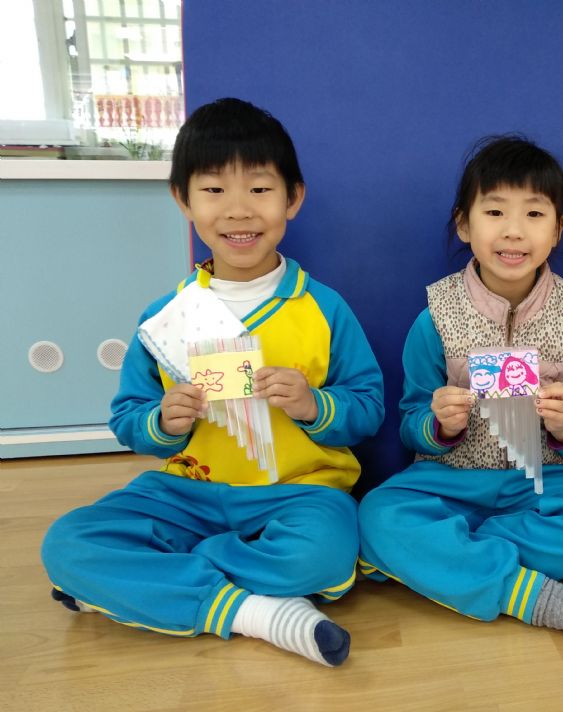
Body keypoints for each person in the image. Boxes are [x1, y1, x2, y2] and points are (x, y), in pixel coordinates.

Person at [41, 98, 384, 668]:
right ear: (183, 199)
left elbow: (368, 408)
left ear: (293, 198)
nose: (238, 210)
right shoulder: (165, 316)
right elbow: (128, 417)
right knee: (66, 543)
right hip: (185, 493)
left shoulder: (323, 309)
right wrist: (162, 420)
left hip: (299, 493)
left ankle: (157, 581)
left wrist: (313, 405)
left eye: (259, 189)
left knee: (323, 554)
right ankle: (256, 611)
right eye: (214, 190)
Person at [358, 136, 563, 665]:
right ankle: (541, 598)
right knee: (377, 514)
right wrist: (438, 425)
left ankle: (456, 554)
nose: (514, 230)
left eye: (534, 214)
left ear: (557, 230)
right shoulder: (435, 317)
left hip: (550, 483)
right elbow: (409, 421)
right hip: (450, 481)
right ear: (464, 225)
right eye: (494, 212)